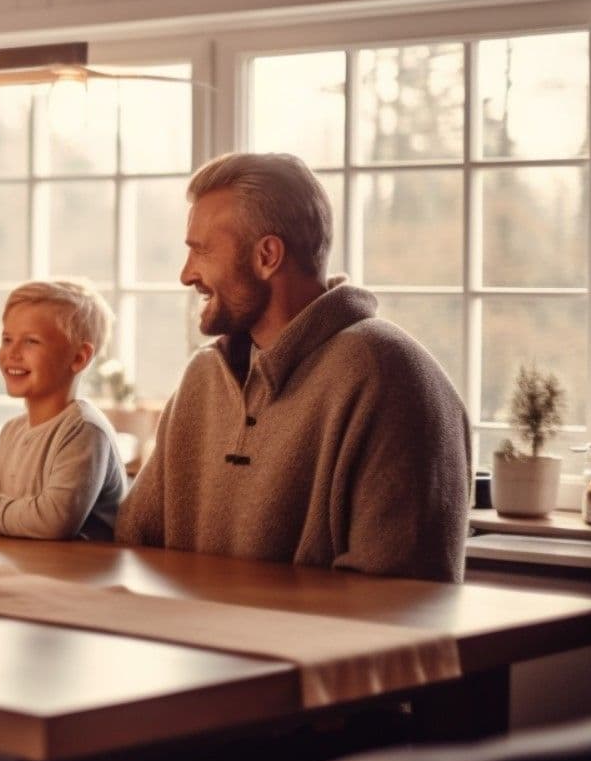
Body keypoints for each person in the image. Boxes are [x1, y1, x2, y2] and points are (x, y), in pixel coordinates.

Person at [115, 152, 470, 582]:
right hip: (197, 648)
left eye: (202, 251)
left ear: (267, 255)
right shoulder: (202, 379)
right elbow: (134, 545)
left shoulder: (391, 377)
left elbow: (398, 608)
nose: (186, 274)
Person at [0, 280, 125, 541]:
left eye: (31, 342)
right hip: (26, 571)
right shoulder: (12, 431)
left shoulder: (85, 432)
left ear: (79, 358)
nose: (11, 352)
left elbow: (55, 519)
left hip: (79, 577)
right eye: (7, 339)